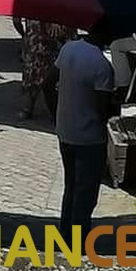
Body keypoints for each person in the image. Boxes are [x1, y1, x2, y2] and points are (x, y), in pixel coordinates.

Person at [53, 29, 116, 239]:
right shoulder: (102, 66)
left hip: (66, 131)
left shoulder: (68, 49)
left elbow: (49, 81)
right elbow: (103, 108)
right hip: (89, 137)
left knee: (70, 185)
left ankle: (66, 231)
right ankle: (77, 238)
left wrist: (57, 112)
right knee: (86, 191)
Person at [21, 21, 75, 120]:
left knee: (60, 71)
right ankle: (28, 106)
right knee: (33, 70)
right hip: (38, 32)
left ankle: (58, 109)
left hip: (60, 26)